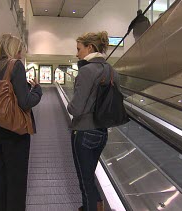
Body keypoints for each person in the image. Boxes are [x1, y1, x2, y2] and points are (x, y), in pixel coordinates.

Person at [0, 34, 42, 211]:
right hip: (13, 131)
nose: (20, 55)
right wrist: (37, 90)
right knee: (16, 179)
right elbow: (25, 102)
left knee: (0, 175)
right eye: (19, 50)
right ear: (13, 49)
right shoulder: (15, 65)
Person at [67, 31, 119, 211]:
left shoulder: (86, 70)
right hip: (102, 132)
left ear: (90, 47)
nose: (77, 54)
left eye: (79, 49)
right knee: (89, 176)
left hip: (83, 131)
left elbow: (76, 108)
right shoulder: (112, 70)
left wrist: (69, 106)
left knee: (85, 180)